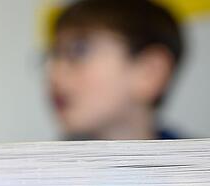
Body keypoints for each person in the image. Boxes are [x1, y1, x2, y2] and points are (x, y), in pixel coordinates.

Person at [47, 0, 185, 140]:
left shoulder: (202, 160)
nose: (54, 75)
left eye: (78, 51)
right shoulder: (41, 161)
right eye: (54, 55)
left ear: (150, 72)